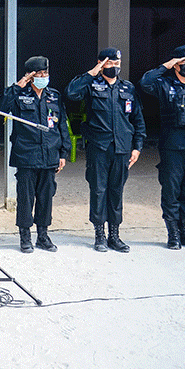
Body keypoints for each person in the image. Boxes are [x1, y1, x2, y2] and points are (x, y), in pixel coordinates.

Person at [66, 48, 145, 253]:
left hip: (122, 148)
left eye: (117, 63)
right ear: (101, 64)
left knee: (116, 191)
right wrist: (93, 72)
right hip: (99, 147)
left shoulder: (128, 88)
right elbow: (71, 93)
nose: (115, 67)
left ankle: (114, 235)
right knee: (99, 190)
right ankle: (99, 234)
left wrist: (137, 147)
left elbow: (137, 119)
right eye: (110, 64)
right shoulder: (91, 85)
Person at [139, 44, 185, 250]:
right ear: (176, 65)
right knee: (171, 190)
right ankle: (173, 234)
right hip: (173, 147)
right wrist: (167, 65)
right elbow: (145, 82)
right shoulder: (164, 85)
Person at [0, 56, 70, 253]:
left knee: (46, 197)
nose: (43, 77)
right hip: (26, 155)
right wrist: (18, 86)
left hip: (50, 154)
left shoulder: (54, 96)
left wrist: (64, 152)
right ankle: (25, 236)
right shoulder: (19, 95)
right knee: (26, 198)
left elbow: (62, 125)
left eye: (45, 74)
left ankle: (43, 235)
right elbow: (0, 108)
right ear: (30, 76)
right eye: (38, 74)